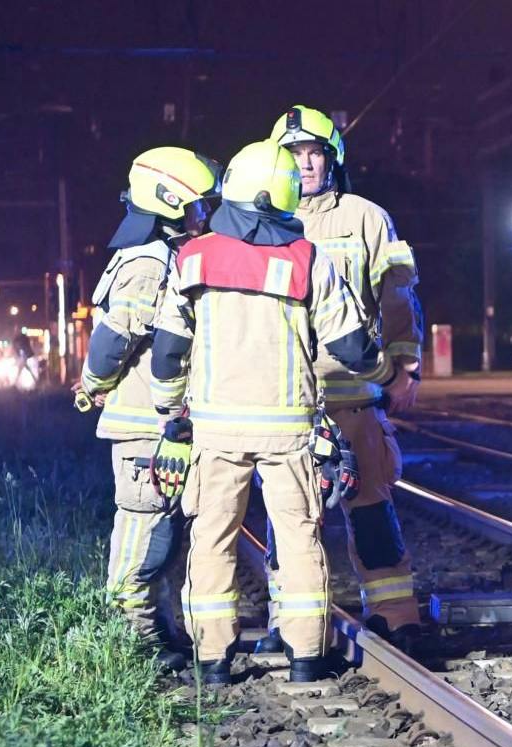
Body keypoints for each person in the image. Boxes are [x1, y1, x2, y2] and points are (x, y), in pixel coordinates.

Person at [150, 141, 390, 685]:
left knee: (212, 537)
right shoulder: (307, 258)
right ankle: (306, 657)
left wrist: (172, 411)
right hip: (289, 429)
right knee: (301, 535)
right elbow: (352, 345)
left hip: (216, 428)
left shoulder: (194, 257)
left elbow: (168, 348)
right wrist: (384, 375)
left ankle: (212, 660)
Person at [252, 104, 424, 652]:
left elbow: (397, 296)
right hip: (287, 398)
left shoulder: (367, 218)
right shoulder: (260, 223)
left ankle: (396, 615)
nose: (304, 164)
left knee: (371, 507)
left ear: (331, 159)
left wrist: (406, 367)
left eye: (313, 153)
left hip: (352, 393)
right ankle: (292, 625)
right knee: (289, 519)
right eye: (293, 154)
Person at [75, 146, 220, 674]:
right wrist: (92, 384)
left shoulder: (162, 257)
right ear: (169, 204)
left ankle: (159, 632)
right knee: (145, 527)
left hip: (159, 426)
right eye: (197, 209)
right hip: (145, 428)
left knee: (163, 531)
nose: (204, 219)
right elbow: (113, 341)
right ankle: (132, 640)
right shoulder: (148, 263)